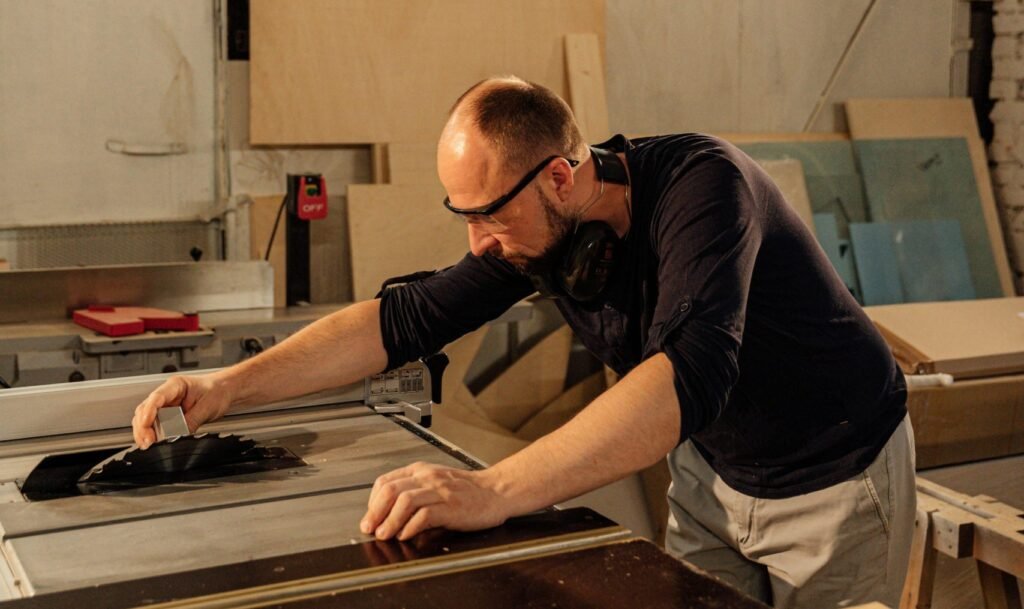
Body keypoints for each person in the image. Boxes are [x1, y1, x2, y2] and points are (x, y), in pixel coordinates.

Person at [132, 76, 915, 609]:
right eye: (464, 216)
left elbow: (690, 376)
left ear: (560, 180)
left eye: (488, 215)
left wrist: (492, 489)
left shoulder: (704, 189)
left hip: (835, 480)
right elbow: (402, 320)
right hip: (715, 477)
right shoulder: (538, 233)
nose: (478, 243)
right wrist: (230, 386)